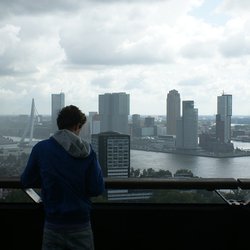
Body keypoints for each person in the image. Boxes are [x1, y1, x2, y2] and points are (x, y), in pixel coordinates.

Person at [20, 105, 105, 250]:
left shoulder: (41, 149)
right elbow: (96, 188)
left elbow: (26, 181)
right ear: (78, 126)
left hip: (53, 225)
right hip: (81, 226)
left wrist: (48, 179)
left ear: (59, 125)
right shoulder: (88, 152)